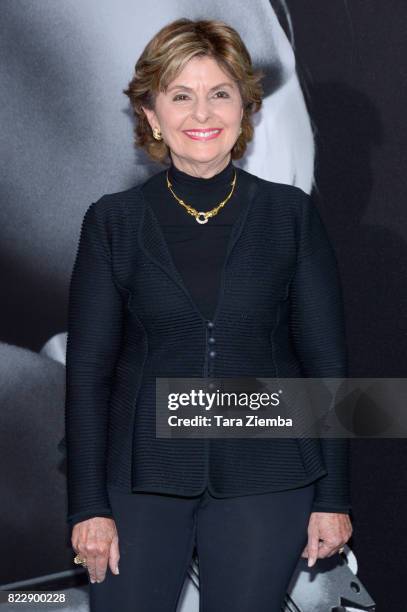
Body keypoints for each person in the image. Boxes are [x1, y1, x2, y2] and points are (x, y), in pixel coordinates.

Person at [65, 18, 353, 611]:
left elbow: (326, 362)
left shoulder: (290, 217)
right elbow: (89, 371)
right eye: (180, 95)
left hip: (268, 478)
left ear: (244, 109)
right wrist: (88, 505)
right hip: (140, 478)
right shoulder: (112, 222)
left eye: (220, 93)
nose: (202, 113)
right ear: (151, 114)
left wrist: (335, 494)